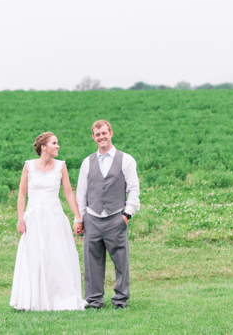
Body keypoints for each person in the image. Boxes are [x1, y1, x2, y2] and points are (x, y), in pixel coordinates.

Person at [10, 132, 86, 311]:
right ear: (44, 147)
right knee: (35, 257)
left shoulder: (61, 166)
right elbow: (21, 194)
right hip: (34, 218)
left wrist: (78, 217)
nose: (58, 146)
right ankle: (34, 298)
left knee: (57, 257)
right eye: (54, 143)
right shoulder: (28, 166)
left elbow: (68, 193)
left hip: (54, 218)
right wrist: (20, 219)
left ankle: (58, 298)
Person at [74, 120, 140, 309]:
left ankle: (120, 299)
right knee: (91, 261)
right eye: (97, 134)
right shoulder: (87, 162)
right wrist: (80, 218)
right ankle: (94, 300)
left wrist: (127, 215)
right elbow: (81, 193)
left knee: (121, 260)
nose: (101, 137)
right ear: (93, 137)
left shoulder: (126, 159)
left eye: (104, 133)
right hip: (92, 218)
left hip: (116, 217)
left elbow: (134, 189)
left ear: (111, 133)